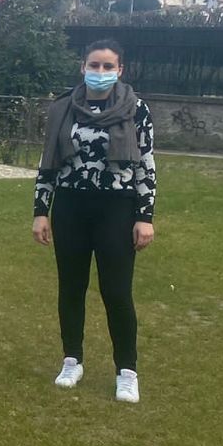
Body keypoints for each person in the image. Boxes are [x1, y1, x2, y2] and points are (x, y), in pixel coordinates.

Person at [33, 39, 157, 403]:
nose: (99, 72)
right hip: (71, 206)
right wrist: (41, 210)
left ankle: (126, 372)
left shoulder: (136, 110)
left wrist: (145, 216)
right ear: (82, 67)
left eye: (107, 66)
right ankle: (72, 360)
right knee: (71, 287)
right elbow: (48, 162)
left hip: (116, 208)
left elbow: (146, 164)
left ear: (120, 70)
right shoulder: (63, 108)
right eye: (94, 65)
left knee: (116, 291)